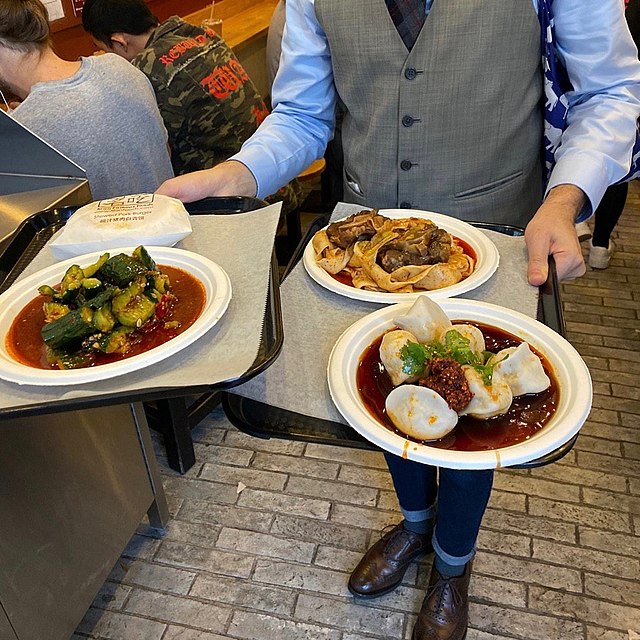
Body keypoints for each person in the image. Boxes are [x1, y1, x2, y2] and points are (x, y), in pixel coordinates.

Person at [157, 2, 640, 639]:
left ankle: (453, 563)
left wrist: (567, 197)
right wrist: (232, 174)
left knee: (477, 407)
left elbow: (608, 91)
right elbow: (304, 114)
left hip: (496, 233)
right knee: (385, 390)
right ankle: (415, 525)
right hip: (368, 248)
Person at [81, 0, 302, 214]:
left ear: (119, 41)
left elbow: (152, 154)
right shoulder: (198, 33)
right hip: (276, 173)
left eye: (104, 49)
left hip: (241, 199)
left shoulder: (147, 71)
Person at [0, 0, 173, 201]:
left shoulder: (23, 131)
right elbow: (164, 152)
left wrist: (22, 124)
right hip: (173, 219)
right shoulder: (119, 65)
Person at [576, 0, 639, 269]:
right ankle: (600, 244)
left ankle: (577, 221)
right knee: (615, 163)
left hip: (596, 92)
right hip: (619, 97)